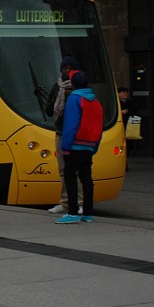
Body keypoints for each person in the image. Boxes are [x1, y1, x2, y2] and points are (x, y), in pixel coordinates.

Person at [56, 70, 103, 224]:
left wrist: (65, 147)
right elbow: (99, 127)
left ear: (74, 84)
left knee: (70, 177)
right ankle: (88, 213)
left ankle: (72, 212)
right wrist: (94, 147)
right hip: (89, 146)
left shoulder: (74, 99)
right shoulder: (96, 102)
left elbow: (70, 125)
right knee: (86, 178)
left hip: (75, 145)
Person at [46, 56, 80, 214]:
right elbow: (48, 109)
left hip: (77, 134)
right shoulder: (56, 87)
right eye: (64, 67)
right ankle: (65, 202)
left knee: (76, 170)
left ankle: (79, 202)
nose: (67, 71)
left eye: (70, 67)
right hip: (61, 131)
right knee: (63, 169)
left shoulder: (79, 87)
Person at [118, 86, 138, 170]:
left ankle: (125, 160)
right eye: (123, 92)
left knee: (130, 145)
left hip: (130, 126)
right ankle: (123, 163)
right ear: (118, 94)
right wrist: (120, 113)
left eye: (126, 92)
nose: (125, 94)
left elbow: (135, 113)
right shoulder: (116, 103)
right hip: (121, 126)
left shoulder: (131, 103)